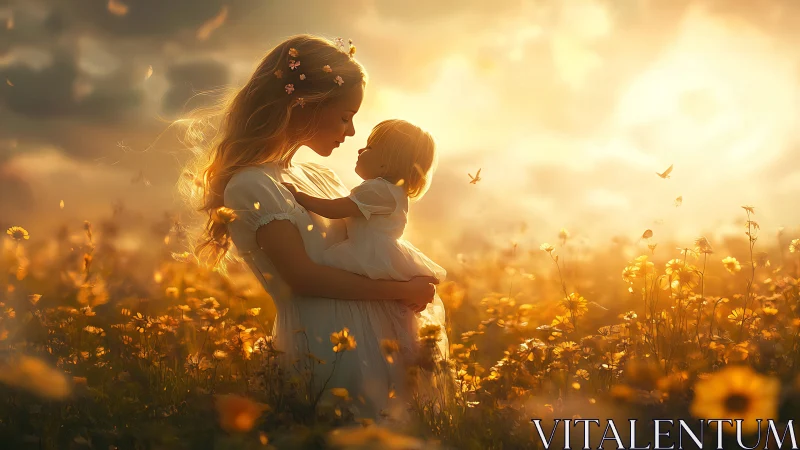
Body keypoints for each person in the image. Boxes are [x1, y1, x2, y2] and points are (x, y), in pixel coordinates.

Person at [182, 34, 441, 420]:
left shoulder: (320, 177)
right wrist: (403, 289)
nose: (351, 131)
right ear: (301, 106)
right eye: (343, 116)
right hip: (323, 346)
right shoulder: (252, 184)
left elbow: (368, 248)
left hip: (372, 340)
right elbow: (304, 279)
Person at [281, 119, 449, 364]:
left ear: (386, 162)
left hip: (369, 250)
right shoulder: (392, 192)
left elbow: (337, 209)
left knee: (344, 282)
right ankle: (409, 351)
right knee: (392, 313)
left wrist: (300, 198)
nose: (360, 151)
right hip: (380, 248)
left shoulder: (377, 189)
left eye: (369, 148)